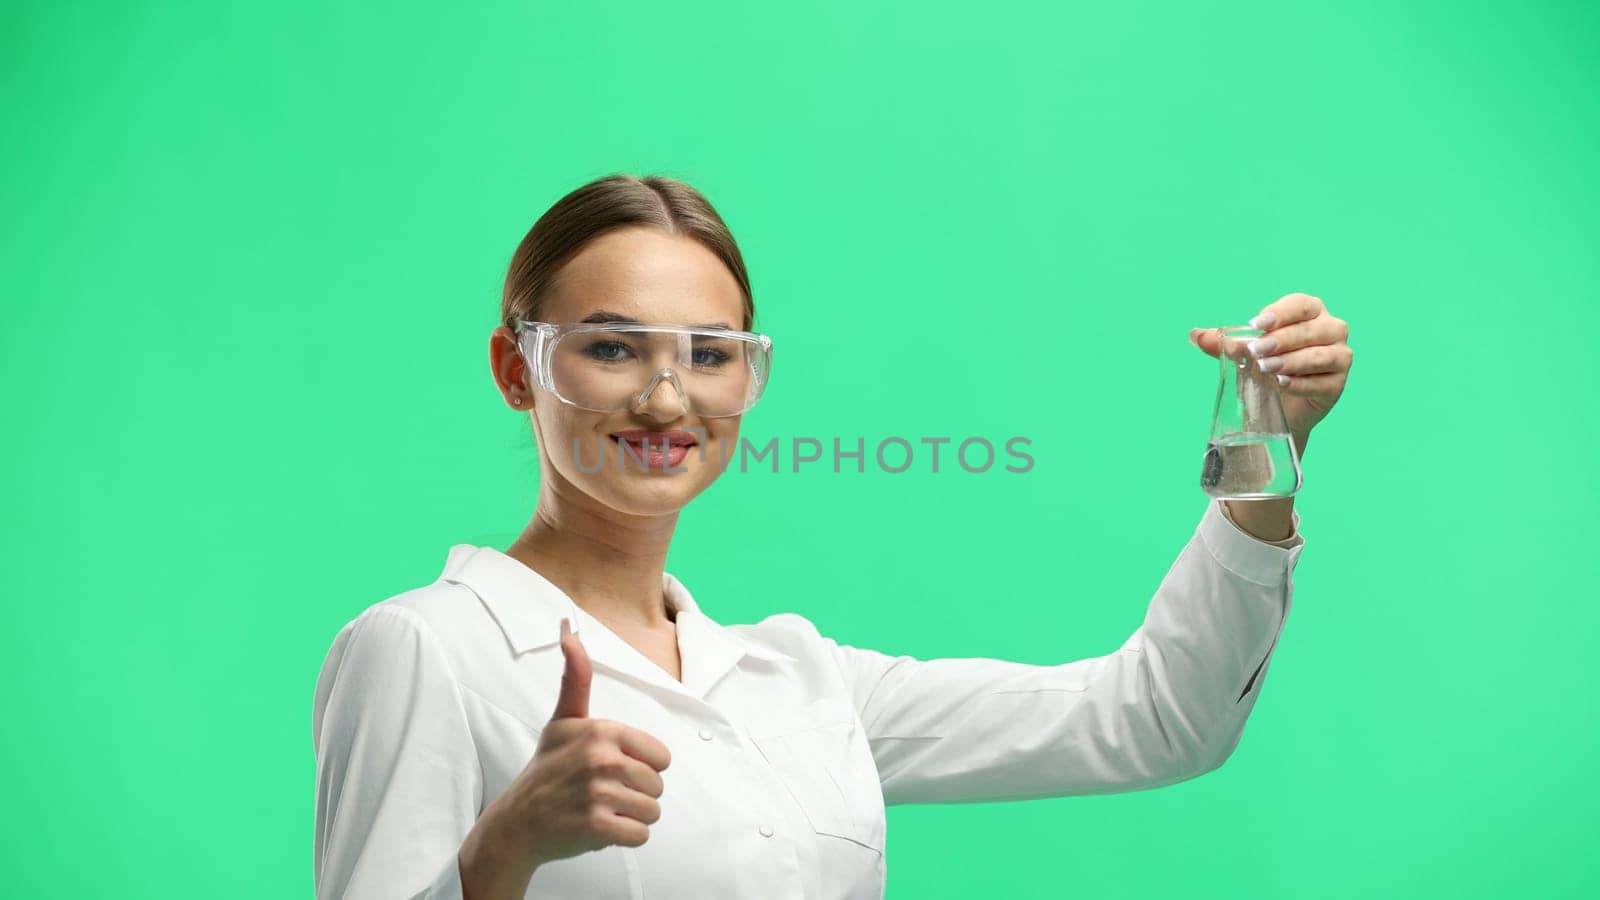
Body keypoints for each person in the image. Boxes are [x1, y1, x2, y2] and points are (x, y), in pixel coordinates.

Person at [311, 173, 1353, 900]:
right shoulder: (424, 651)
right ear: (514, 370)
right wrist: (499, 858)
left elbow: (1156, 720)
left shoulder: (799, 682)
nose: (668, 397)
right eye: (613, 346)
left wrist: (1260, 451)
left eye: (711, 355)